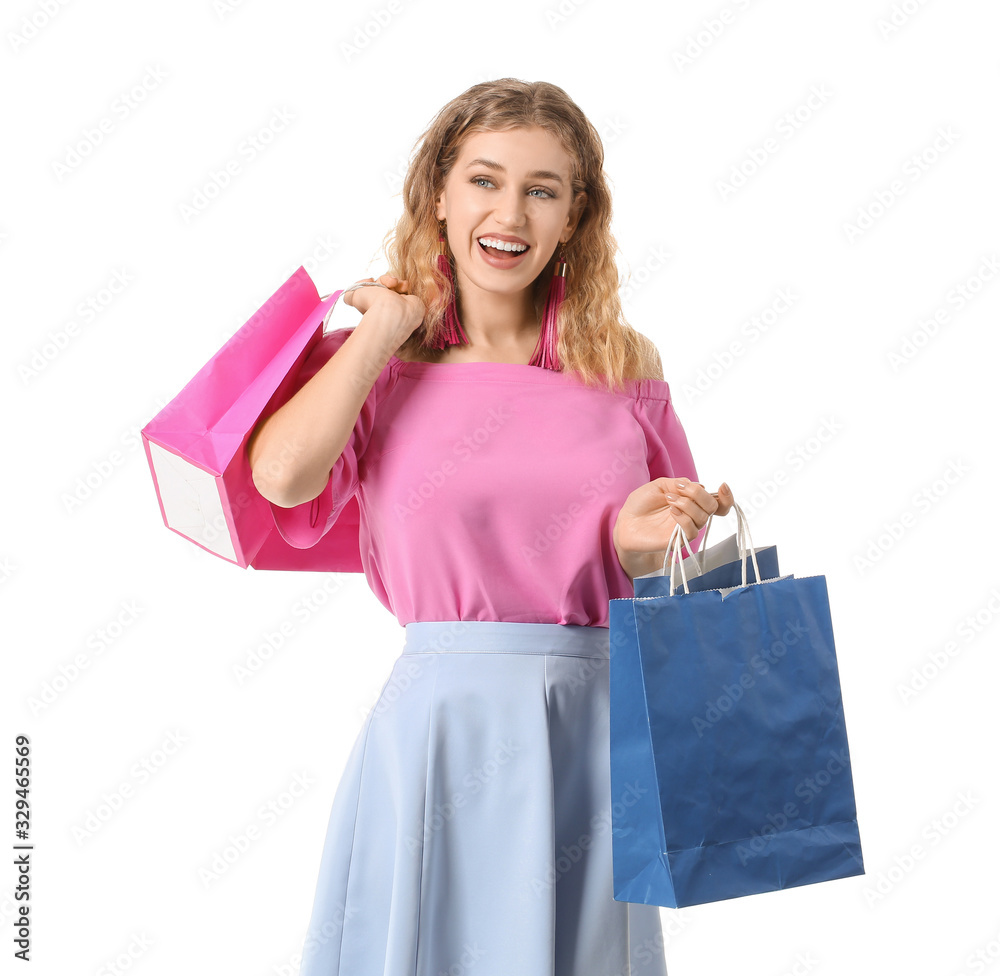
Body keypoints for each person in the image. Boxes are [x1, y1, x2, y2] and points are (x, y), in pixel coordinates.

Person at [248, 78, 733, 976]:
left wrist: (635, 541)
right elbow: (280, 477)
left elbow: (680, 566)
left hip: (589, 729)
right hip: (439, 734)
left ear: (574, 213)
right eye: (484, 180)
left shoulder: (622, 366)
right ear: (438, 192)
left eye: (542, 189)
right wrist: (381, 330)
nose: (509, 212)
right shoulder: (384, 368)